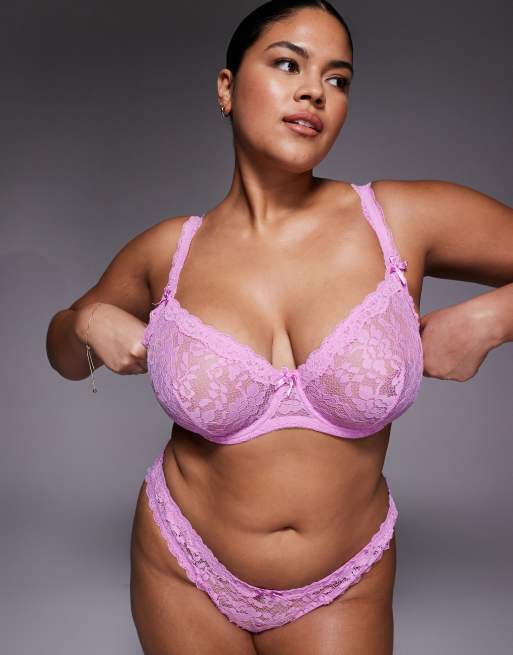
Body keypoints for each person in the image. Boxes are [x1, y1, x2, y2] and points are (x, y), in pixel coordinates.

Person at [45, 1, 513, 653]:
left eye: (336, 79)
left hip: (342, 583)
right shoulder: (167, 252)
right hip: (182, 565)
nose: (313, 91)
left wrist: (492, 317)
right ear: (227, 87)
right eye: (288, 64)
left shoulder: (401, 219)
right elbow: (65, 356)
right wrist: (86, 320)